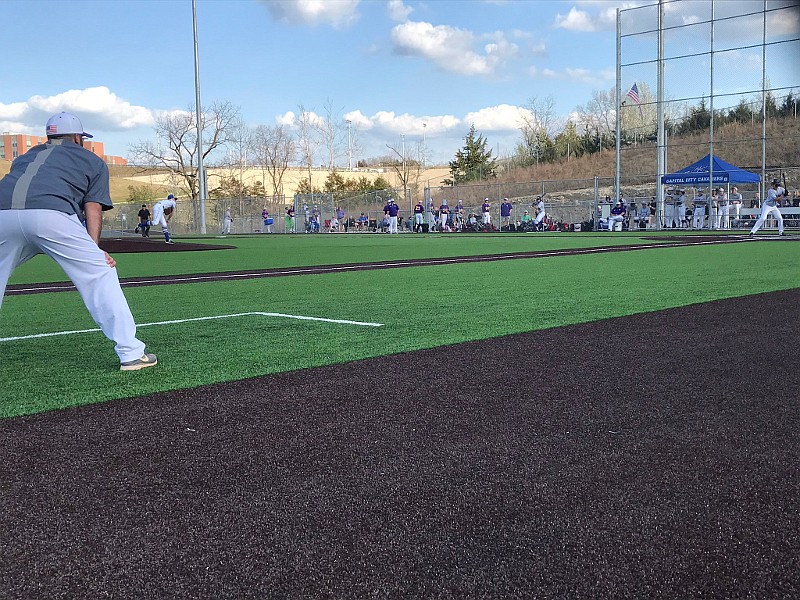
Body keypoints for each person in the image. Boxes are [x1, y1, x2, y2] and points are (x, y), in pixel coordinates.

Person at [0, 111, 156, 371]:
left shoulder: (25, 156)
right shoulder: (91, 160)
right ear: (77, 137)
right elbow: (92, 208)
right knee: (99, 273)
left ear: (49, 136)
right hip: (52, 216)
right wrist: (95, 251)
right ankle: (131, 353)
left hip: (2, 215)